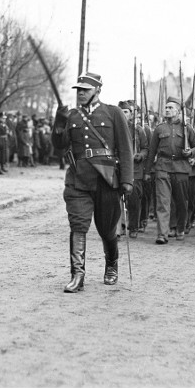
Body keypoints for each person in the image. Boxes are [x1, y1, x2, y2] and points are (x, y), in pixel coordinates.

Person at [51, 72, 134, 293]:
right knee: (78, 226)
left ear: (97, 90)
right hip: (78, 179)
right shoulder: (72, 116)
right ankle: (77, 275)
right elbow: (59, 146)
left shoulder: (113, 113)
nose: (80, 93)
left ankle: (111, 265)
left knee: (107, 230)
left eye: (85, 90)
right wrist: (59, 123)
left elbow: (125, 148)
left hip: (107, 179)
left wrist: (127, 180)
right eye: (78, 90)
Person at [143, 96, 195, 244]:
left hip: (181, 168)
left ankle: (180, 228)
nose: (167, 110)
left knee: (181, 202)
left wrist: (190, 152)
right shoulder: (160, 128)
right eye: (166, 107)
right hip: (163, 167)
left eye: (171, 108)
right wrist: (147, 172)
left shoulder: (187, 129)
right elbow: (152, 151)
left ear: (179, 111)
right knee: (163, 201)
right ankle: (162, 234)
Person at [119, 100, 149, 239]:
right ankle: (119, 227)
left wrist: (140, 156)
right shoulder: (114, 129)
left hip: (135, 170)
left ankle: (134, 227)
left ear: (131, 114)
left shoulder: (138, 130)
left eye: (126, 112)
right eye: (121, 111)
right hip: (118, 169)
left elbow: (146, 149)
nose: (123, 114)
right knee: (116, 200)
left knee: (134, 200)